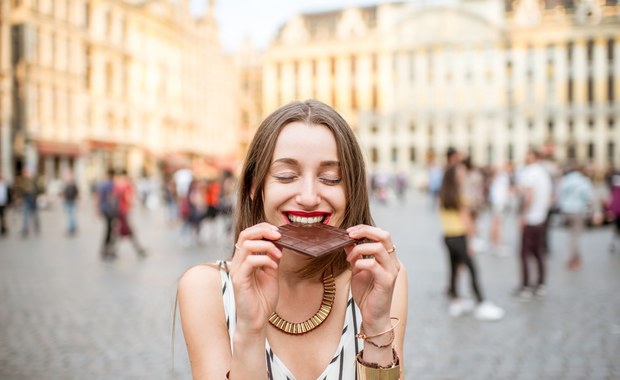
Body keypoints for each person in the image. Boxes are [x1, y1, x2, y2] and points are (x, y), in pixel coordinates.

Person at [177, 100, 408, 380]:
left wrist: (376, 326)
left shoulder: (379, 279)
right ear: (254, 186)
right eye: (287, 176)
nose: (309, 197)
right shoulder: (206, 289)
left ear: (352, 190)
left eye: (331, 178)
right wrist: (250, 332)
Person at [438, 164, 505, 321]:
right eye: (461, 174)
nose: (463, 176)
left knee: (454, 269)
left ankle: (455, 300)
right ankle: (481, 302)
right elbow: (466, 220)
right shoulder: (460, 196)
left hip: (448, 236)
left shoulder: (443, 195)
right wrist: (471, 240)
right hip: (460, 237)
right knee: (472, 269)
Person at [514, 148, 552, 299]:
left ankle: (526, 286)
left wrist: (523, 214)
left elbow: (529, 195)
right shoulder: (544, 173)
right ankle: (541, 284)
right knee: (538, 252)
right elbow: (550, 196)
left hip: (531, 218)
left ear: (534, 157)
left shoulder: (530, 172)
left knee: (524, 253)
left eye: (528, 154)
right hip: (541, 217)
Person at [556, 161, 596, 270]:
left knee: (571, 235)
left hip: (567, 210)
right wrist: (594, 211)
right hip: (578, 210)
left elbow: (559, 196)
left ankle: (574, 257)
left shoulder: (565, 180)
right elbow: (589, 197)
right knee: (575, 236)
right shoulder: (583, 181)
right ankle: (574, 258)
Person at [113, 169, 147, 257]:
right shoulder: (127, 184)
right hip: (124, 210)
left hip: (119, 210)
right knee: (127, 230)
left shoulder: (117, 184)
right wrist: (132, 203)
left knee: (121, 231)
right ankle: (139, 250)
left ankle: (113, 250)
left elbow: (114, 196)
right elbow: (128, 197)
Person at [97, 168, 119, 259]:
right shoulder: (112, 185)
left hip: (106, 210)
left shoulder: (104, 185)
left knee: (109, 229)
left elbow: (99, 198)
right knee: (110, 230)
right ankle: (108, 248)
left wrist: (99, 209)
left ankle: (106, 248)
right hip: (111, 210)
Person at [14, 167, 41, 237]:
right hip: (26, 198)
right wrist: (19, 198)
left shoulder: (34, 180)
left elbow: (39, 188)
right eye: (25, 172)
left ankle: (36, 225)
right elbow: (19, 189)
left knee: (34, 214)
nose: (26, 174)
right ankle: (25, 228)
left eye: (27, 172)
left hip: (32, 198)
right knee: (25, 214)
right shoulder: (21, 180)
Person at [62, 171, 79, 236]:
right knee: (69, 215)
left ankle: (72, 227)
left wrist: (77, 200)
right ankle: (70, 228)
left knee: (72, 215)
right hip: (67, 201)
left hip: (72, 201)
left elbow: (77, 193)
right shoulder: (66, 185)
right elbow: (64, 193)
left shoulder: (74, 185)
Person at [0, 172, 12, 236]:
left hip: (3, 202)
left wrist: (9, 202)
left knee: (3, 216)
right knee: (2, 216)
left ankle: (3, 228)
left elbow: (8, 193)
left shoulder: (5, 184)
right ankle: (3, 227)